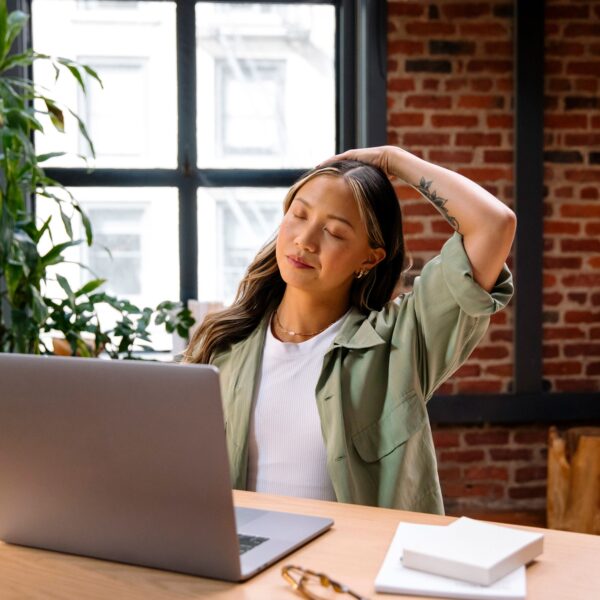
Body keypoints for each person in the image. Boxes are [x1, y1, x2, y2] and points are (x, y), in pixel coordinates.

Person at [184, 145, 515, 514]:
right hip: (248, 565)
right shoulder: (225, 345)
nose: (305, 241)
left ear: (370, 257)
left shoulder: (400, 341)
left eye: (335, 233)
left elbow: (493, 224)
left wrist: (393, 160)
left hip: (357, 568)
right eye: (299, 215)